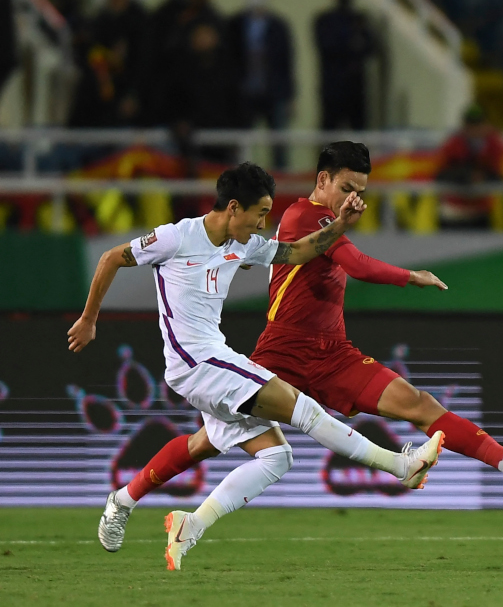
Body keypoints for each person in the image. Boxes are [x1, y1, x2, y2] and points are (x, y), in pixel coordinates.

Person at [100, 143, 503, 543]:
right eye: (346, 186)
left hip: (334, 354)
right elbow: (355, 264)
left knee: (418, 403)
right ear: (322, 180)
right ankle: (126, 499)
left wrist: (341, 222)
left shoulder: (326, 223)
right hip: (282, 354)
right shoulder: (302, 216)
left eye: (361, 190)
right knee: (206, 442)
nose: (353, 197)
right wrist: (410, 275)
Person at [69, 162, 443, 570]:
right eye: (260, 213)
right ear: (233, 207)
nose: (264, 223)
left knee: (275, 457)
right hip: (196, 363)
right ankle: (400, 466)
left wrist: (340, 224)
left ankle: (153, 512)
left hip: (214, 361)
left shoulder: (243, 244)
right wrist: (89, 319)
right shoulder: (177, 237)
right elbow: (111, 258)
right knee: (303, 410)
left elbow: (299, 251)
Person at [228, 0, 295, 170]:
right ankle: (240, 180)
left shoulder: (279, 26)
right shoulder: (235, 24)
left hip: (273, 93)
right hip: (244, 93)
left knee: (278, 144)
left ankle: (281, 179)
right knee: (241, 144)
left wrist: (290, 97)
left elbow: (287, 62)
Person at [68, 0, 148, 127]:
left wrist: (133, 95)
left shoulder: (139, 20)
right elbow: (90, 53)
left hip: (121, 94)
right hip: (94, 92)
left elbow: (143, 62)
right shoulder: (100, 19)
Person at [314, 0, 376, 130]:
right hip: (332, 88)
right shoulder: (324, 20)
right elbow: (328, 47)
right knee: (329, 135)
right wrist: (352, 44)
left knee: (359, 134)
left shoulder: (359, 19)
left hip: (356, 88)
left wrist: (352, 45)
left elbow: (369, 48)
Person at [436, 105, 503, 229]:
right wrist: (466, 176)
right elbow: (441, 174)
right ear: (464, 126)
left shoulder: (493, 144)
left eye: (478, 124)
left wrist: (483, 177)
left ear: (487, 124)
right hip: (454, 211)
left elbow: (499, 174)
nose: (474, 130)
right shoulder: (453, 144)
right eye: (471, 125)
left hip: (481, 211)